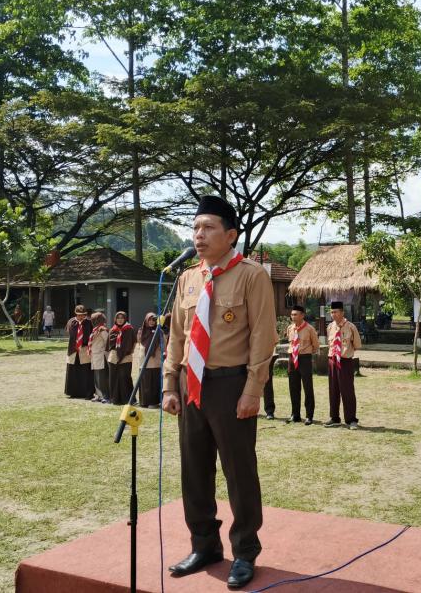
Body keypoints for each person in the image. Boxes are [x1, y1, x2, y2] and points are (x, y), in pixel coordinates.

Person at [162, 195, 277, 589]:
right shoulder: (187, 278)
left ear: (230, 235)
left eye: (208, 227)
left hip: (232, 385)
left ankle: (245, 552)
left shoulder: (251, 275)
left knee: (239, 472)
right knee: (194, 471)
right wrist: (169, 384)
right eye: (195, 228)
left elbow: (264, 336)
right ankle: (204, 545)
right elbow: (177, 336)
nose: (199, 235)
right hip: (191, 384)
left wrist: (252, 390)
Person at [324, 301, 362, 430]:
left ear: (342, 312)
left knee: (347, 391)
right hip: (332, 361)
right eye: (331, 312)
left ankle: (351, 419)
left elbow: (357, 345)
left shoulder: (350, 327)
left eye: (335, 312)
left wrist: (345, 353)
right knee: (333, 390)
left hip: (345, 362)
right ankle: (334, 417)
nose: (333, 314)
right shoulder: (330, 327)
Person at [284, 304, 319, 425]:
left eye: (295, 314)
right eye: (292, 314)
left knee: (307, 387)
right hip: (292, 358)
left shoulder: (309, 329)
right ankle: (295, 414)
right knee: (293, 387)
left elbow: (315, 345)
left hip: (304, 358)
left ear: (302, 315)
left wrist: (305, 353)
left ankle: (309, 415)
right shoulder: (290, 328)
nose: (293, 317)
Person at [64, 304, 93, 399]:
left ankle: (87, 393)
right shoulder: (71, 322)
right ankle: (73, 392)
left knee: (86, 371)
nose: (81, 317)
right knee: (73, 371)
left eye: (83, 314)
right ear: (75, 314)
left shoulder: (89, 322)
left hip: (84, 349)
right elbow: (68, 332)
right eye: (79, 314)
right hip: (73, 349)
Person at [107, 311, 135, 405]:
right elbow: (109, 345)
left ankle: (127, 399)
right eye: (118, 318)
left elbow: (133, 343)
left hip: (126, 357)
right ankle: (114, 399)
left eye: (122, 318)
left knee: (125, 378)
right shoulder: (112, 330)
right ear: (115, 319)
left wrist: (128, 352)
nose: (120, 320)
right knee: (113, 378)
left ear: (125, 319)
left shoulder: (129, 329)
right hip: (114, 357)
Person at [137, 312, 163, 409]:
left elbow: (163, 343)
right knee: (144, 382)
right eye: (150, 319)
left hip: (155, 361)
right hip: (143, 360)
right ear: (146, 320)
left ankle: (154, 402)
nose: (152, 322)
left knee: (153, 382)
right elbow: (139, 342)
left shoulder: (159, 331)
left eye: (154, 320)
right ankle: (144, 402)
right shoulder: (141, 331)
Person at [88, 312, 110, 403]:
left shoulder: (102, 330)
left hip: (101, 356)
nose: (93, 321)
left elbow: (107, 342)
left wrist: (102, 351)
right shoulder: (95, 330)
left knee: (102, 377)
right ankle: (98, 395)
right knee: (96, 377)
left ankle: (105, 396)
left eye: (95, 320)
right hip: (95, 356)